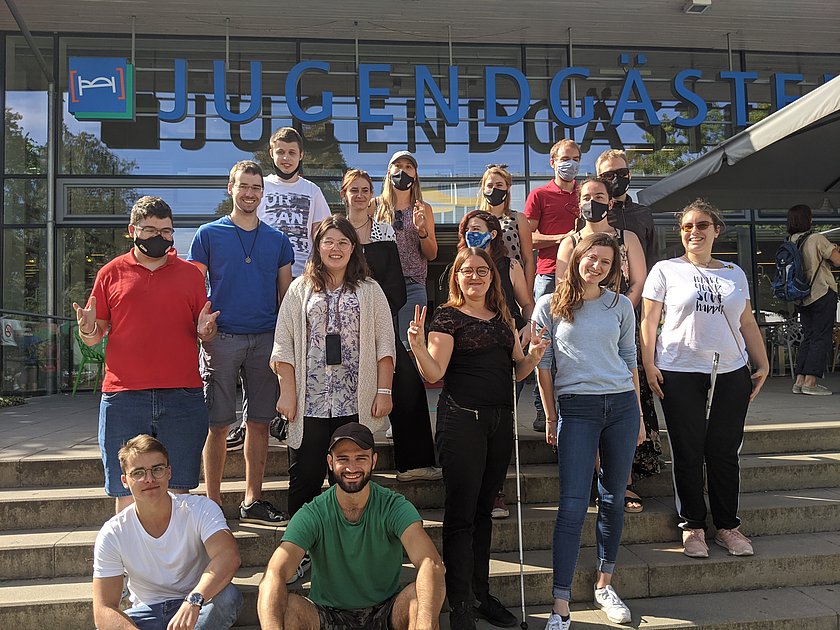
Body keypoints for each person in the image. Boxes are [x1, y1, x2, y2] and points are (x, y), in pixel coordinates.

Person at [408, 247, 549, 630]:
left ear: (492, 276)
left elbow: (516, 372)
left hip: (499, 423)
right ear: (456, 276)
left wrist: (533, 356)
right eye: (466, 271)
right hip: (461, 422)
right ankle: (461, 605)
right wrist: (419, 347)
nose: (475, 276)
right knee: (461, 515)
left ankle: (481, 594)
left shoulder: (503, 317)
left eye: (482, 270)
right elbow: (435, 371)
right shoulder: (448, 316)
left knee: (484, 512)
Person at [641, 200, 769, 559]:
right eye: (686, 226)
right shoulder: (665, 270)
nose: (693, 232)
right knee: (688, 450)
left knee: (724, 452)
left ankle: (728, 525)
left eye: (701, 225)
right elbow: (649, 322)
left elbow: (746, 323)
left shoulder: (734, 273)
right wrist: (648, 364)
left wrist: (762, 363)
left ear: (716, 230)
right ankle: (692, 526)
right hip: (679, 370)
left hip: (730, 370)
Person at [73, 196, 218, 513]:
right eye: (150, 230)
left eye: (166, 231)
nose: (160, 237)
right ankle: (131, 562)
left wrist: (207, 330)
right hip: (124, 396)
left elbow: (203, 329)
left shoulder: (191, 275)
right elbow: (95, 334)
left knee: (178, 494)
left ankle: (176, 562)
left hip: (182, 396)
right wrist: (86, 328)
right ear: (132, 230)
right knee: (126, 493)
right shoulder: (110, 273)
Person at [271, 215, 396, 584]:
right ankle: (298, 556)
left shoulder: (370, 289)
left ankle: (349, 557)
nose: (336, 248)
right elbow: (283, 345)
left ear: (353, 247)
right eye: (328, 242)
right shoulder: (299, 289)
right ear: (318, 247)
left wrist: (384, 391)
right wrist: (287, 390)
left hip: (353, 405)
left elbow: (385, 344)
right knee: (304, 482)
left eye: (343, 241)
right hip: (309, 404)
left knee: (351, 484)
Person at [535, 233, 645, 630]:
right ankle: (560, 601)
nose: (596, 266)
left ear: (613, 268)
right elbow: (542, 367)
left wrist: (641, 418)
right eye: (590, 258)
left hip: (621, 406)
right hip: (576, 409)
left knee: (614, 499)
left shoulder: (620, 306)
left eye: (605, 261)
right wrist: (550, 417)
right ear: (577, 258)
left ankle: (604, 583)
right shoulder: (549, 305)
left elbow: (630, 360)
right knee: (572, 504)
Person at [257, 422, 446, 630]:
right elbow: (274, 573)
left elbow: (431, 563)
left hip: (385, 610)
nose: (351, 467)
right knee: (288, 608)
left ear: (374, 460)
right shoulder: (313, 513)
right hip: (328, 614)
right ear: (330, 462)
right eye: (343, 459)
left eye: (361, 458)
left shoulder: (394, 506)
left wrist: (425, 625)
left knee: (420, 598)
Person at [188, 160, 294, 526]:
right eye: (243, 186)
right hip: (222, 339)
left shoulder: (278, 240)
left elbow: (286, 296)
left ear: (263, 193)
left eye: (256, 188)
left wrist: (286, 344)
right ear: (230, 188)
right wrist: (199, 328)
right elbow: (192, 291)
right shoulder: (207, 234)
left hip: (265, 339)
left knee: (259, 423)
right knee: (218, 425)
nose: (250, 193)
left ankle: (253, 499)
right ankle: (212, 503)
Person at [555, 177, 655, 512]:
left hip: (619, 324)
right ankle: (597, 480)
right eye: (586, 196)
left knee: (624, 400)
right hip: (581, 328)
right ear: (578, 202)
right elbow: (561, 284)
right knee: (588, 406)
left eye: (599, 195)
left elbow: (640, 280)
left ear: (609, 201)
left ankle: (622, 481)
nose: (592, 201)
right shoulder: (570, 241)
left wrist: (616, 305)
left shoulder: (626, 238)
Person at [342, 168, 441, 482]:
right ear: (343, 194)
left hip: (380, 320)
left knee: (407, 381)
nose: (359, 195)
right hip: (340, 327)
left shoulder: (384, 230)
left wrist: (376, 315)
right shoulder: (334, 230)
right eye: (353, 189)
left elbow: (395, 284)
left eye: (364, 189)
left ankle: (415, 463)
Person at [92, 435, 242, 630]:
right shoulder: (113, 533)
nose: (149, 479)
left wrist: (193, 601)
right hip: (146, 612)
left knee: (228, 597)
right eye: (138, 473)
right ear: (125, 481)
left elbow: (229, 557)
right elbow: (103, 608)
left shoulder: (200, 508)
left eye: (157, 469)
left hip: (198, 603)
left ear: (169, 472)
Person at [457, 209, 535, 520]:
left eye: (476, 228)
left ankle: (496, 491)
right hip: (472, 352)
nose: (470, 233)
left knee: (502, 424)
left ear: (493, 233)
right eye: (467, 228)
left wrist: (527, 328)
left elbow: (526, 302)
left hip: (506, 346)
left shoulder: (509, 264)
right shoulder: (461, 265)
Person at [524, 139, 581, 432]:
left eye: (575, 158)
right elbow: (529, 238)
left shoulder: (586, 195)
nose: (569, 163)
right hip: (548, 275)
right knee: (544, 343)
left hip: (582, 278)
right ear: (553, 162)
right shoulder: (540, 195)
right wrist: (563, 238)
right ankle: (541, 409)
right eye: (564, 158)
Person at [373, 150, 438, 349]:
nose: (403, 171)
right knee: (382, 345)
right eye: (398, 166)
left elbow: (432, 254)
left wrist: (422, 231)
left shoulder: (423, 208)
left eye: (408, 167)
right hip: (381, 284)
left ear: (415, 174)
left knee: (411, 346)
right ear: (389, 171)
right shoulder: (374, 206)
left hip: (413, 284)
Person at [787, 204, 840, 395]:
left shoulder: (791, 240)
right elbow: (837, 260)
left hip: (801, 296)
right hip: (821, 292)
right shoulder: (816, 238)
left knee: (808, 336)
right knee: (821, 337)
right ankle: (811, 382)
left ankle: (800, 380)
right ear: (807, 219)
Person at [595, 149, 658, 271]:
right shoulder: (595, 213)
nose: (616, 178)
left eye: (622, 172)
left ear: (629, 174)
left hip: (641, 285)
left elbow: (652, 255)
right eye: (608, 175)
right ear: (599, 179)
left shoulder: (643, 213)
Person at [478, 164, 536, 295]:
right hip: (482, 282)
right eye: (490, 185)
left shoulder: (518, 218)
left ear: (507, 188)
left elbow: (528, 259)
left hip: (512, 283)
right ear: (483, 189)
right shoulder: (476, 219)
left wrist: (527, 293)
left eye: (499, 185)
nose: (494, 189)